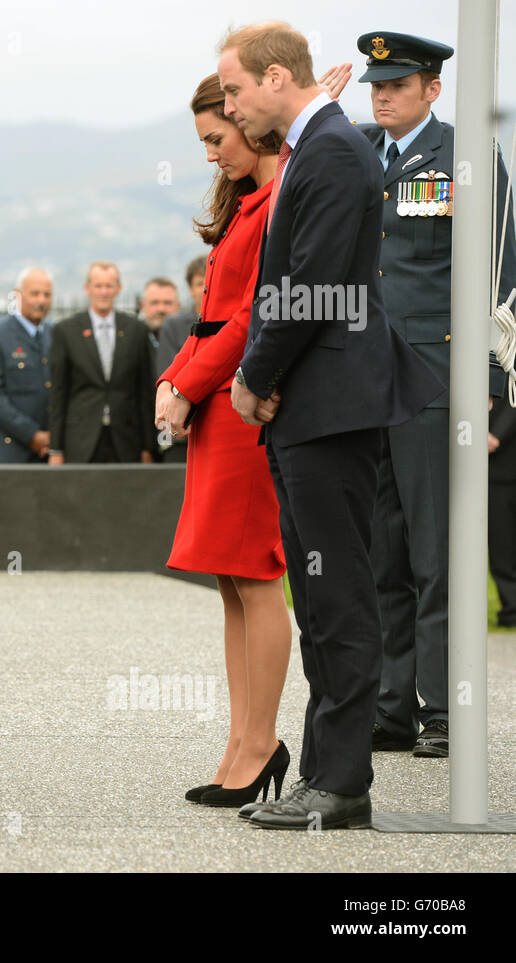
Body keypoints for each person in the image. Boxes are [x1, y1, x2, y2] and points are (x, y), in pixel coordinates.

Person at [219, 21, 443, 830]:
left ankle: (342, 782)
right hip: (312, 405)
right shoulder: (325, 143)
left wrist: (253, 378)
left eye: (237, 90)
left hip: (327, 407)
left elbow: (308, 286)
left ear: (278, 78)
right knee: (318, 595)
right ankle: (323, 769)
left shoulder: (334, 150)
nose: (230, 106)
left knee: (338, 594)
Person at [353, 31, 516, 759]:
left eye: (397, 83)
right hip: (362, 382)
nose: (382, 94)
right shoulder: (356, 151)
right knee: (379, 551)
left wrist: (488, 386)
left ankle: (442, 705)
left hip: (432, 381)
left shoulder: (469, 157)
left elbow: (498, 277)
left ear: (431, 89)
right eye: (375, 84)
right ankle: (390, 705)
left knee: (435, 550)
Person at [157, 74, 292, 810]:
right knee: (229, 582)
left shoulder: (276, 202)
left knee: (256, 574)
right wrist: (175, 377)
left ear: (250, 120)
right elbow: (212, 317)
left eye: (217, 136)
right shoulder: (245, 203)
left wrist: (182, 385)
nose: (211, 153)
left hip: (242, 412)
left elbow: (247, 321)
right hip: (217, 404)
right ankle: (242, 741)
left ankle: (261, 741)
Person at [47, 262, 156, 464]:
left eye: (109, 286)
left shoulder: (137, 330)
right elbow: (58, 393)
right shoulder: (66, 331)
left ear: (118, 289)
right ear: (87, 289)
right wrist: (55, 448)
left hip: (127, 441)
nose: (104, 292)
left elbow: (145, 393)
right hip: (80, 441)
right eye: (98, 286)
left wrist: (148, 447)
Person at [0, 267, 54, 463]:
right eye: (34, 293)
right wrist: (31, 434)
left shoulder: (56, 335)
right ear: (17, 294)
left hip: (49, 453)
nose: (41, 301)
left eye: (47, 295)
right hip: (9, 452)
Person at [155, 256, 208, 463]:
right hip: (178, 433)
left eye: (209, 279)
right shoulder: (173, 325)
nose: (204, 287)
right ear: (189, 288)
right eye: (198, 283)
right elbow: (168, 374)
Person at [491, 398, 516, 628]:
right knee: (502, 545)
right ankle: (511, 608)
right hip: (496, 471)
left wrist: (496, 435)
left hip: (503, 457)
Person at [140, 277, 181, 376]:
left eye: (167, 303)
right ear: (142, 306)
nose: (161, 309)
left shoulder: (190, 339)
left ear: (178, 306)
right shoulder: (132, 339)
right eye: (154, 303)